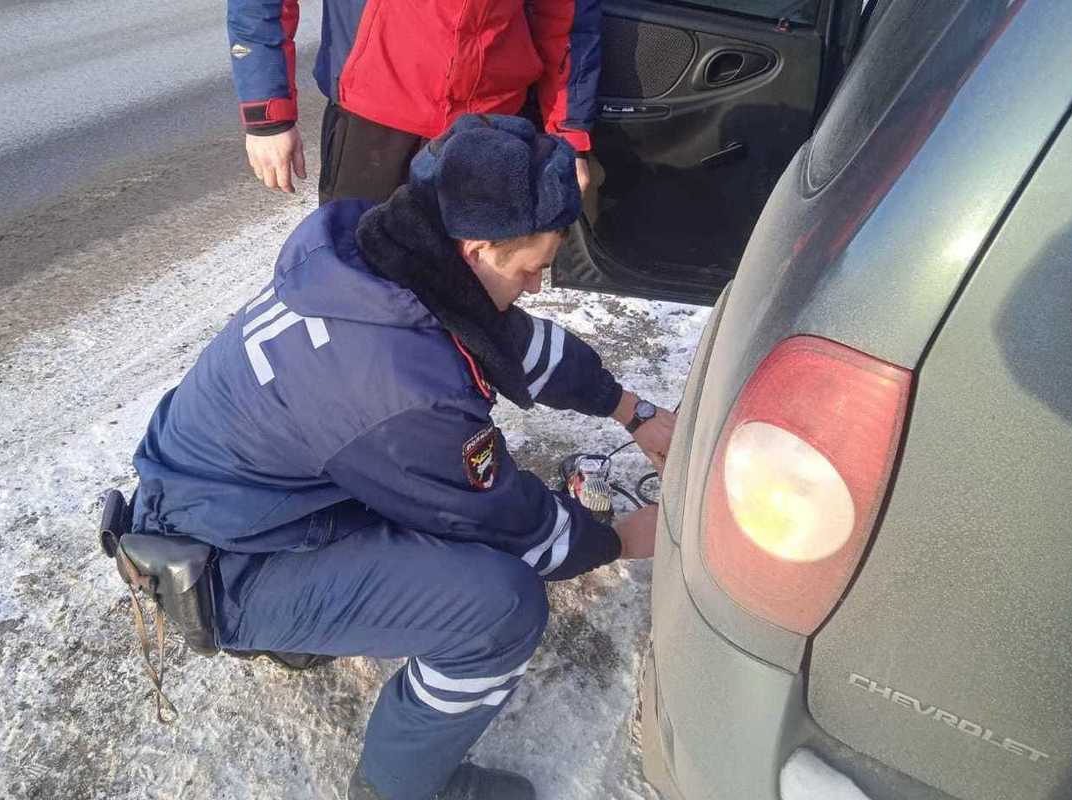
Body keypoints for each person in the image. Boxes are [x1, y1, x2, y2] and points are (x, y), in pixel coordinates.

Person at [129, 115, 673, 800]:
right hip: (228, 567)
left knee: (442, 513)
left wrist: (635, 411)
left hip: (227, 500)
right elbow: (512, 524)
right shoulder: (404, 389)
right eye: (533, 269)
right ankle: (400, 786)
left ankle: (312, 619)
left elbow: (511, 343)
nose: (538, 287)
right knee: (502, 605)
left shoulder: (375, 253)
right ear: (476, 250)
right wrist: (620, 539)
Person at [227, 0, 600, 202]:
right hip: (371, 123)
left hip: (491, 127)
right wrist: (267, 115)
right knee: (361, 294)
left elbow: (567, 18)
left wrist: (569, 134)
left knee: (469, 300)